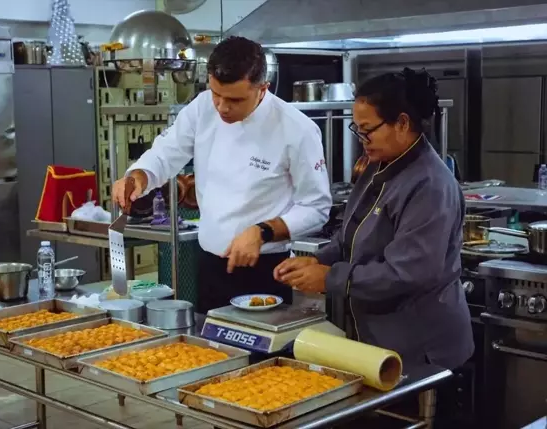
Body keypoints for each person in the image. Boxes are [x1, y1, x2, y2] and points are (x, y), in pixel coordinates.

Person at [112, 36, 332, 313]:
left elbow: (316, 207)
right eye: (216, 94)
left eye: (235, 99)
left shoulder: (297, 129)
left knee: (260, 355)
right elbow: (166, 153)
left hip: (265, 272)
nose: (222, 107)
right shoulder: (203, 108)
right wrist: (140, 176)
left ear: (262, 89)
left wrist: (262, 232)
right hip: (210, 266)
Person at [274, 67, 474, 372]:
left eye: (367, 130)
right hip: (377, 339)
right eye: (357, 130)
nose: (361, 139)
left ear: (402, 123)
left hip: (421, 348)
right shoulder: (377, 165)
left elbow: (406, 272)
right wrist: (317, 261)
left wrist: (329, 278)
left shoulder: (430, 185)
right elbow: (350, 236)